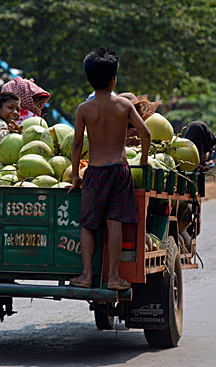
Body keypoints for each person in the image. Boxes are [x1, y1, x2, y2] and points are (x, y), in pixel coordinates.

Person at [68, 48, 151, 290]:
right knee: (115, 223)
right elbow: (145, 133)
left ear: (89, 79)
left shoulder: (84, 109)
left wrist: (75, 175)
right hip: (120, 170)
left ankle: (86, 276)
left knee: (88, 225)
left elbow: (76, 145)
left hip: (95, 172)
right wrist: (144, 160)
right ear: (113, 79)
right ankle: (114, 277)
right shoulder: (124, 105)